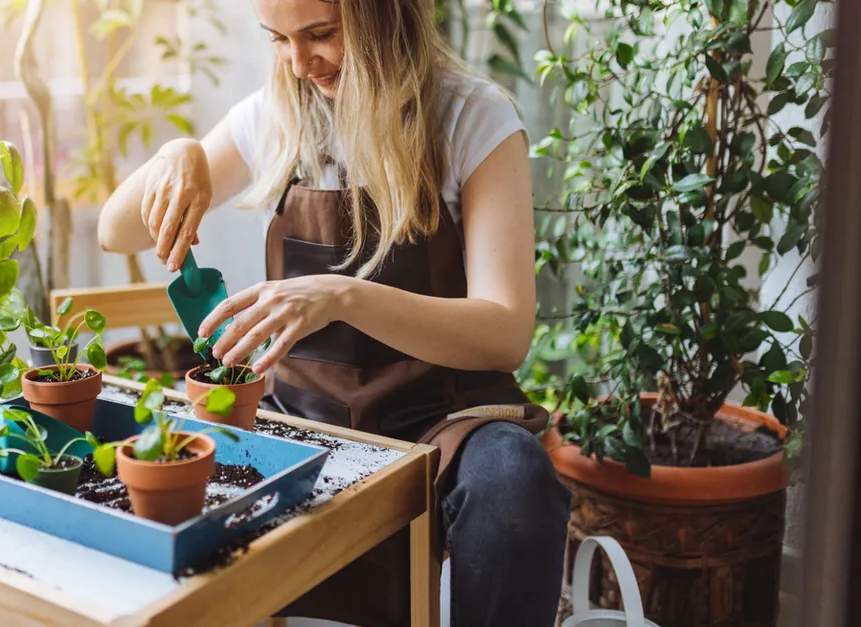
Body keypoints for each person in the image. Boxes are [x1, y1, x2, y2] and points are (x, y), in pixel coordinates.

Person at [98, 0, 571, 625]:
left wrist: (343, 296)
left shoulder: (471, 117)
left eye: (320, 34)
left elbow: (505, 333)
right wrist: (178, 154)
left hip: (443, 419)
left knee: (515, 483)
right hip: (302, 415)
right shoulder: (274, 116)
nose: (298, 63)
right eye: (278, 39)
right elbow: (116, 231)